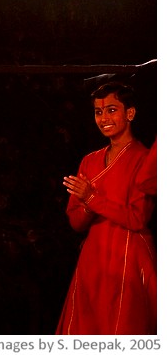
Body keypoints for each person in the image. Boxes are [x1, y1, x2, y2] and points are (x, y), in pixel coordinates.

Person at [57, 81, 156, 334]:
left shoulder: (144, 158)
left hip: (128, 256)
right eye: (98, 112)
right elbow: (76, 222)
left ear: (130, 113)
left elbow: (137, 218)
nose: (103, 118)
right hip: (94, 259)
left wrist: (92, 198)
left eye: (112, 110)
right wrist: (88, 204)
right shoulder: (89, 160)